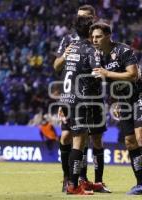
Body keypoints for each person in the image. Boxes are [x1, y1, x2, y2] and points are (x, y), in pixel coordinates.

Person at [90, 22, 142, 195]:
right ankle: (140, 182)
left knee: (141, 136)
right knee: (129, 141)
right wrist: (116, 102)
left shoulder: (123, 51)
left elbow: (133, 75)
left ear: (108, 36)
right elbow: (112, 84)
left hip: (140, 95)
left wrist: (106, 73)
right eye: (93, 37)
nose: (95, 40)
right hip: (123, 100)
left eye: (98, 36)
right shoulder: (98, 57)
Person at [53, 5, 109, 193]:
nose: (82, 20)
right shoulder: (69, 40)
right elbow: (57, 66)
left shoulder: (100, 38)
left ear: (93, 18)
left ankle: (96, 180)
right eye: (79, 18)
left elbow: (108, 64)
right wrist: (65, 56)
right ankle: (69, 178)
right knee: (71, 136)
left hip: (94, 97)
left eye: (85, 18)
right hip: (76, 97)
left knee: (95, 137)